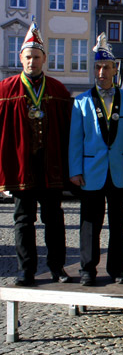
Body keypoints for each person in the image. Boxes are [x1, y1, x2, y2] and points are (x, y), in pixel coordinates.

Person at [0, 21, 72, 286]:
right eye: (28, 57)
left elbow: (70, 132)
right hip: (21, 164)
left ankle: (58, 268)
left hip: (50, 163)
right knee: (23, 219)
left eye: (36, 57)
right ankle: (26, 270)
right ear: (21, 58)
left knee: (53, 218)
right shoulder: (5, 90)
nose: (32, 61)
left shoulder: (58, 90)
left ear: (44, 59)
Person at [68, 34, 123, 286]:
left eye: (106, 67)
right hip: (91, 171)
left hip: (120, 170)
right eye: (97, 67)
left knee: (118, 224)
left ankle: (118, 269)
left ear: (114, 69)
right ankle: (87, 269)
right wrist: (75, 170)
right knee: (89, 224)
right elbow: (75, 140)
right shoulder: (81, 102)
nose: (101, 72)